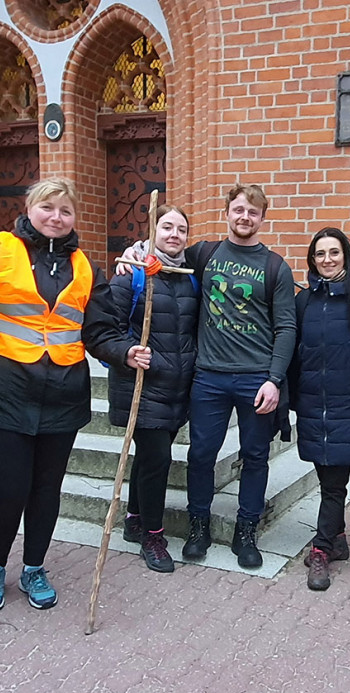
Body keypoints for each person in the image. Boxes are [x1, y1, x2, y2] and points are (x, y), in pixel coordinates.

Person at [122, 184, 296, 568]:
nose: (244, 217)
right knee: (201, 455)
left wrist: (275, 380)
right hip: (208, 377)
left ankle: (246, 530)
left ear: (262, 218)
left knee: (255, 457)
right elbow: (164, 254)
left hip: (255, 379)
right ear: (227, 213)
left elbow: (286, 328)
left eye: (252, 212)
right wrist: (134, 254)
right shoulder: (205, 253)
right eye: (238, 210)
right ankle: (198, 526)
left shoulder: (275, 267)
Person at [0, 178, 117, 614]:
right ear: (29, 209)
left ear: (74, 218)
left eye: (65, 211)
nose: (56, 217)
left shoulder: (86, 268)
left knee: (47, 489)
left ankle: (34, 566)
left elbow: (98, 329)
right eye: (47, 207)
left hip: (62, 395)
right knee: (9, 488)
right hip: (3, 393)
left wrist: (126, 352)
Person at [99, 204, 200, 572]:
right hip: (141, 385)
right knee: (157, 459)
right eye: (167, 227)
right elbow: (105, 330)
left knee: (149, 457)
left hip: (178, 387)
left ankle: (134, 517)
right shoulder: (131, 274)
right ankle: (153, 536)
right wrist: (125, 352)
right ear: (152, 232)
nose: (174, 235)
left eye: (181, 229)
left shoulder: (191, 275)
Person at [290, 227, 350, 590]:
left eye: (334, 252)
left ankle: (321, 549)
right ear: (312, 260)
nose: (327, 260)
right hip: (314, 402)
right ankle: (339, 538)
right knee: (326, 476)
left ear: (345, 254)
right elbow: (295, 357)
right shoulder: (304, 302)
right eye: (320, 254)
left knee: (334, 483)